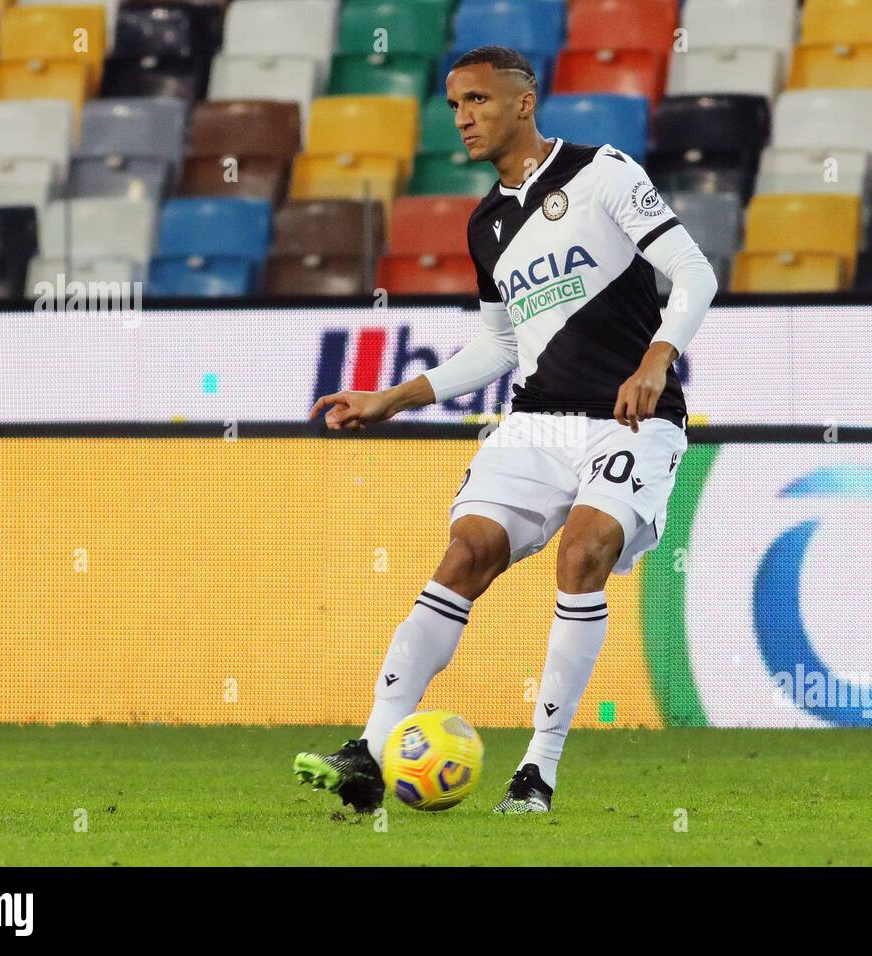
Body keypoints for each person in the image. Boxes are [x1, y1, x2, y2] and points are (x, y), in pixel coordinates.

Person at [294, 45, 718, 813]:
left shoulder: (605, 172)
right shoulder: (486, 222)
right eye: (455, 105)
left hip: (629, 420)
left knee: (583, 550)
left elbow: (696, 274)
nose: (463, 119)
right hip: (535, 423)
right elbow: (499, 342)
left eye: (479, 101)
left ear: (524, 103)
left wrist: (656, 360)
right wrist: (396, 396)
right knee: (466, 553)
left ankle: (537, 773)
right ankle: (372, 750)